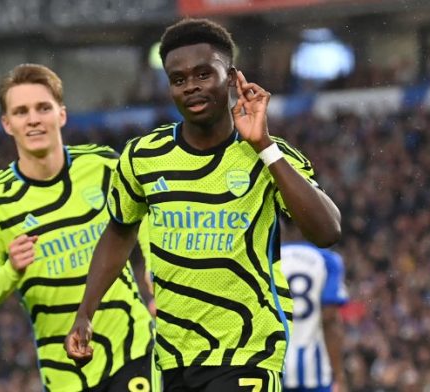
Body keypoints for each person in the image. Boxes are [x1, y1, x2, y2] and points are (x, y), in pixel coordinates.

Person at [65, 17, 342, 392]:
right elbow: (118, 231)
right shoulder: (144, 157)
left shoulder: (270, 156)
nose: (191, 87)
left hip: (247, 354)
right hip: (174, 356)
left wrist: (264, 146)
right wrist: (85, 311)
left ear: (230, 78)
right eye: (178, 80)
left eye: (202, 75)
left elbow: (327, 231)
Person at [0, 63, 155, 391]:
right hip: (63, 372)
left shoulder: (104, 166)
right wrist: (11, 270)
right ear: (8, 124)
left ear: (61, 115)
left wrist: (153, 268)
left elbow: (149, 214)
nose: (33, 118)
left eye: (43, 108)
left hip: (132, 350)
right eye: (21, 112)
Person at [280, 220, 349, 392]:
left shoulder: (266, 258)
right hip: (314, 373)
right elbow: (330, 318)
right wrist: (339, 376)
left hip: (274, 367)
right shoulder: (327, 260)